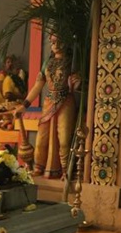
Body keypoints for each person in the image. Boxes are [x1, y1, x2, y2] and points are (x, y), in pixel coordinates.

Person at [21, 33, 78, 179]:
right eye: (53, 42)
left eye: (60, 42)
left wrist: (77, 83)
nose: (56, 45)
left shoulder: (72, 62)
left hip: (65, 100)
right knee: (41, 139)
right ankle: (39, 167)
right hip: (48, 102)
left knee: (64, 139)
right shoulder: (48, 62)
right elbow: (38, 85)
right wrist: (25, 105)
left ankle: (65, 170)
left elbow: (78, 83)